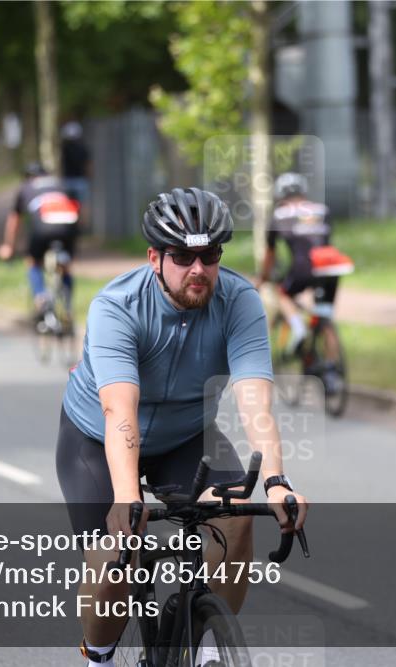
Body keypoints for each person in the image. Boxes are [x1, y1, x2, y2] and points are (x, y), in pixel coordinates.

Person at [57, 187, 308, 666]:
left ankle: (206, 646)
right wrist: (128, 499)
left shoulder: (239, 301)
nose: (198, 268)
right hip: (95, 439)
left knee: (236, 515)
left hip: (185, 437)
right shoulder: (117, 307)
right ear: (155, 257)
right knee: (118, 556)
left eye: (209, 254)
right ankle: (100, 656)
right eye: (183, 256)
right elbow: (119, 412)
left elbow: (254, 399)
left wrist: (277, 480)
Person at [257, 172, 353, 353]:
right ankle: (334, 371)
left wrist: (263, 277)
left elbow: (270, 253)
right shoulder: (322, 210)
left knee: (283, 293)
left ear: (280, 195)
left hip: (303, 267)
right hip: (329, 268)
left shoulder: (279, 215)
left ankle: (298, 328)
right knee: (325, 319)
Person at [0, 163, 81, 318]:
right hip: (68, 224)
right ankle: (68, 307)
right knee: (66, 266)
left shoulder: (25, 187)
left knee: (33, 261)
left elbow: (15, 220)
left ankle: (41, 297)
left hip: (44, 226)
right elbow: (78, 207)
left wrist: (9, 246)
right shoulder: (59, 183)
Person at [59, 121, 91, 205]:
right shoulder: (83, 148)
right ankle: (83, 218)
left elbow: (61, 164)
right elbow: (88, 165)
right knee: (83, 205)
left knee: (68, 206)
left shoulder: (64, 148)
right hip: (81, 180)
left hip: (67, 180)